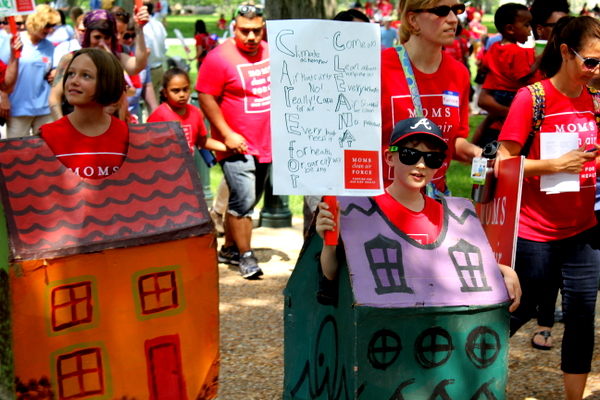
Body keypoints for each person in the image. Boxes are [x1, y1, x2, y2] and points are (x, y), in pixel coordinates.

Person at [316, 117, 521, 311]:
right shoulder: (362, 212)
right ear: (389, 157)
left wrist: (505, 270)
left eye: (432, 158)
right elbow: (334, 273)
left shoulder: (447, 215)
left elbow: (459, 269)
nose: (421, 165)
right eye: (410, 155)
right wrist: (329, 243)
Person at [498, 16, 600, 400]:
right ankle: (469, 368)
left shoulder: (595, 101)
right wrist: (553, 166)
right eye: (590, 61)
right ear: (564, 52)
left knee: (580, 318)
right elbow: (504, 162)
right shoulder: (533, 98)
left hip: (583, 230)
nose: (595, 70)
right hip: (534, 231)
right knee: (517, 309)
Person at [197, 4, 270, 279]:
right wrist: (226, 133)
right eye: (244, 31)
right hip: (236, 143)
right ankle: (247, 256)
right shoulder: (218, 58)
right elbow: (205, 96)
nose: (251, 37)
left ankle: (229, 247)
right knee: (244, 198)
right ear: (234, 28)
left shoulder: (272, 50)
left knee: (252, 197)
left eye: (256, 31)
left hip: (266, 141)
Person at [381, 0, 482, 196]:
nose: (453, 19)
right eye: (441, 11)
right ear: (413, 20)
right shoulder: (378, 69)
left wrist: (478, 154)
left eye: (457, 10)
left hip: (433, 202)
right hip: (381, 206)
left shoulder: (458, 73)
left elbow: (452, 141)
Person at [40, 48, 127, 179]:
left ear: (107, 82)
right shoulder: (47, 136)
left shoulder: (127, 136)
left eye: (86, 75)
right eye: (70, 73)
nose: (74, 81)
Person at [49, 8, 149, 121]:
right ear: (87, 36)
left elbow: (138, 66)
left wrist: (139, 29)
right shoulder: (70, 58)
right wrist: (61, 124)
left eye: (107, 38)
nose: (102, 42)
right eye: (97, 37)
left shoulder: (117, 56)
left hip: (110, 124)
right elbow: (55, 97)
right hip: (77, 122)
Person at [474, 3, 540, 147]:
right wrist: (537, 64)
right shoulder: (518, 52)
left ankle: (474, 147)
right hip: (512, 96)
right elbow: (523, 76)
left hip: (498, 94)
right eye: (527, 25)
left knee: (493, 121)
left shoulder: (494, 47)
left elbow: (484, 66)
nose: (530, 30)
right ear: (510, 29)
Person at [6, 4, 60, 138]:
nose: (50, 29)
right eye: (47, 25)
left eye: (53, 26)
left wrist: (56, 73)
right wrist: (3, 98)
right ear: (36, 22)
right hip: (17, 108)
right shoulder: (14, 41)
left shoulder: (49, 47)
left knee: (45, 150)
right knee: (15, 151)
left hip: (44, 108)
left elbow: (52, 71)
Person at [148, 67, 225, 155]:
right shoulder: (159, 115)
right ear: (165, 92)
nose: (182, 95)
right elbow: (151, 146)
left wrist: (228, 147)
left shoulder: (195, 112)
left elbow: (202, 141)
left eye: (185, 89)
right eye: (176, 91)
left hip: (188, 167)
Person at [143, 1, 167, 105]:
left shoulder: (144, 28)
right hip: (160, 67)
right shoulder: (159, 24)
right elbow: (165, 46)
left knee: (148, 104)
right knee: (155, 102)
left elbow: (147, 50)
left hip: (149, 69)